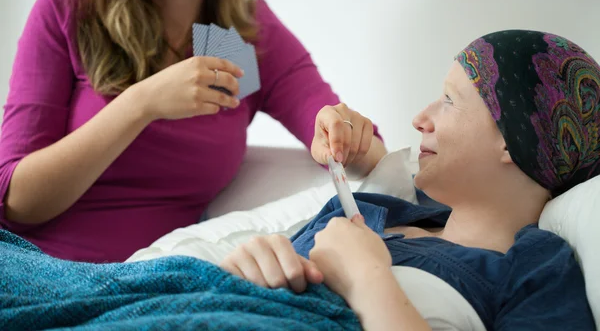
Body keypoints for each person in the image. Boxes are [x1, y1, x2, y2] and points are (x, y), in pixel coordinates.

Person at [0, 0, 387, 263]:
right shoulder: (70, 13)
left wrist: (340, 134)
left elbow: (357, 145)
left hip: (162, 281)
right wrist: (141, 104)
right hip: (39, 263)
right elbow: (16, 203)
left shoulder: (234, 37)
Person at [220, 30, 598, 330]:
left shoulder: (536, 268)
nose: (420, 118)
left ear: (514, 139)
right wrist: (246, 268)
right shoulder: (371, 209)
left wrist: (366, 277)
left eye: (449, 100)